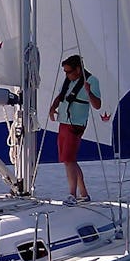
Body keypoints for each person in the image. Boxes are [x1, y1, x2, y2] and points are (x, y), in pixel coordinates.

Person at [48, 54, 102, 204]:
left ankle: (72, 194)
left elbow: (97, 105)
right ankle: (83, 193)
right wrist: (53, 108)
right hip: (64, 122)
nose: (67, 75)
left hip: (76, 124)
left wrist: (89, 91)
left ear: (78, 69)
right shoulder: (68, 80)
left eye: (69, 71)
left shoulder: (91, 81)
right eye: (65, 72)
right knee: (68, 160)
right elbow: (61, 96)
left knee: (69, 159)